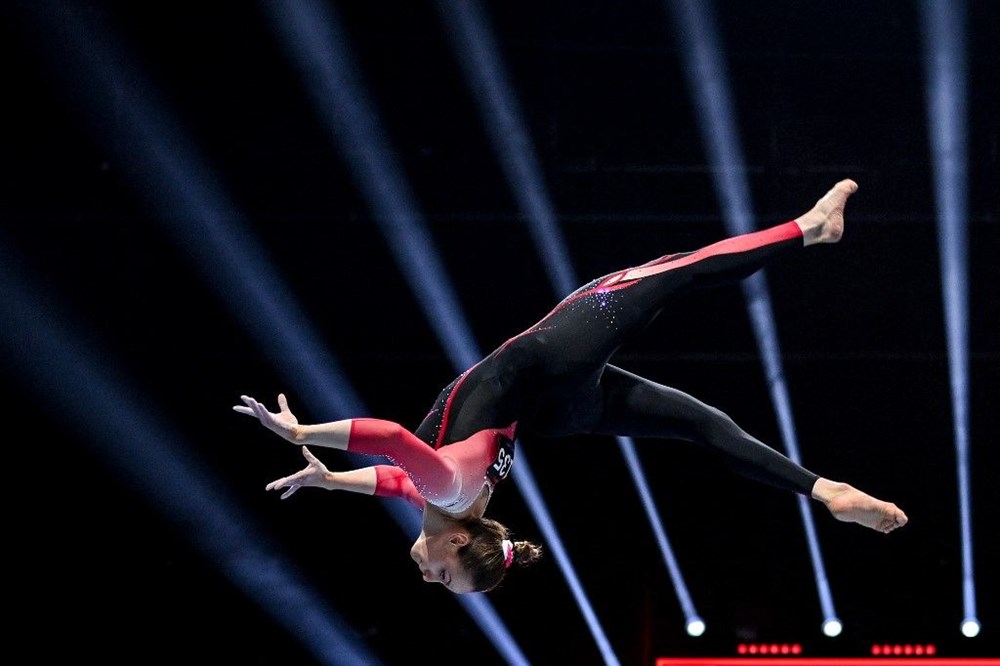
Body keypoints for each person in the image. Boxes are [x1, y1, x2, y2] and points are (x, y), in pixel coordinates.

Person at [234, 179, 908, 594]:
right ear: (460, 543)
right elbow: (388, 441)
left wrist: (328, 481)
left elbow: (390, 478)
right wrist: (299, 434)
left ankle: (824, 492)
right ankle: (810, 229)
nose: (426, 575)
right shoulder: (447, 492)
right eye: (443, 574)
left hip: (557, 404)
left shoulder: (443, 499)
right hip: (554, 363)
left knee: (699, 423)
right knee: (677, 272)